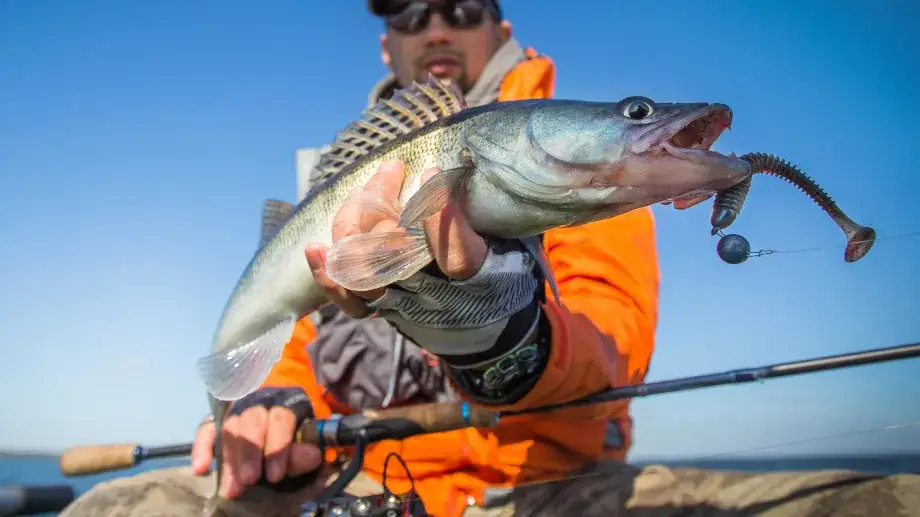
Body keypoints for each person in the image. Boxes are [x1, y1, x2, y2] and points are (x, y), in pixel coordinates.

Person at [61, 2, 920, 516]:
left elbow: (612, 340)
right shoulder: (344, 179)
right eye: (408, 14)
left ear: (500, 27)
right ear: (387, 45)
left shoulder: (592, 193)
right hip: (359, 484)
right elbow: (298, 351)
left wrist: (495, 324)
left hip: (541, 486)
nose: (436, 26)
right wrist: (266, 407)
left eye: (460, 7)